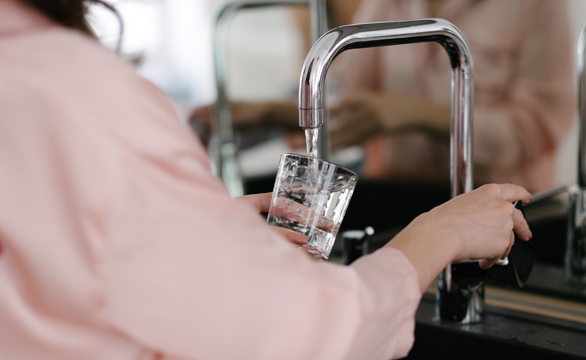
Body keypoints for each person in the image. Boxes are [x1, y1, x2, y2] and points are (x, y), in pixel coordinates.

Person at [0, 0, 532, 359]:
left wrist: (194, 229)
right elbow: (314, 335)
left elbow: (51, 254)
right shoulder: (74, 90)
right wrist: (439, 235)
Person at [190, 0, 575, 193]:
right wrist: (269, 112)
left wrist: (411, 113)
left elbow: (533, 130)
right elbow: (348, 103)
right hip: (394, 201)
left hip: (500, 206)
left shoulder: (538, 8)